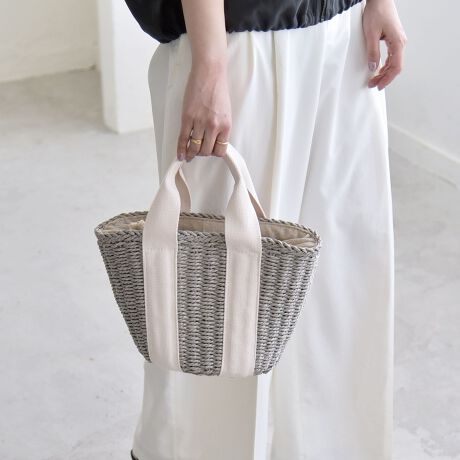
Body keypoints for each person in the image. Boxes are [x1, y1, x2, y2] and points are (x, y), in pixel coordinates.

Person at [124, 0, 407, 458]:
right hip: (239, 37)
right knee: (218, 307)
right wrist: (210, 64)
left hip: (345, 32)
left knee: (342, 287)